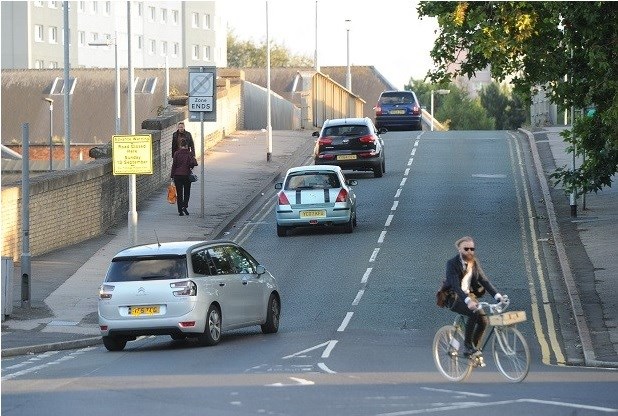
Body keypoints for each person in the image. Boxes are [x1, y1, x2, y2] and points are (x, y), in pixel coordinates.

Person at [444, 236, 505, 356]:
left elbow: (484, 280)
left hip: (468, 296)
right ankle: (467, 347)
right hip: (453, 297)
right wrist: (468, 301)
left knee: (483, 321)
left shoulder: (474, 262)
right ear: (459, 250)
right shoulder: (451, 264)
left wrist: (497, 296)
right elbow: (455, 287)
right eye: (466, 249)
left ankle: (473, 349)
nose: (469, 251)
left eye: (472, 249)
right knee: (473, 312)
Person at [171, 138, 197, 216]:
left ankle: (180, 211)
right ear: (187, 146)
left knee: (179, 193)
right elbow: (193, 163)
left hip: (177, 175)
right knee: (187, 192)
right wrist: (190, 167)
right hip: (186, 175)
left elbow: (174, 165)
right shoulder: (189, 154)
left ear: (180, 145)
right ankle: (184, 206)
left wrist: (172, 176)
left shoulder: (176, 153)